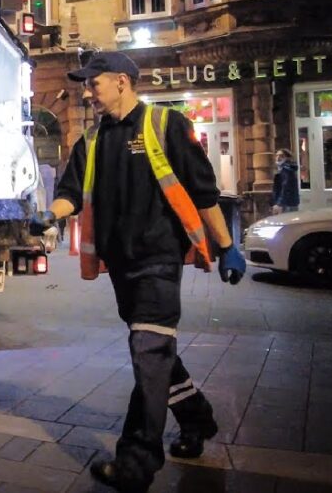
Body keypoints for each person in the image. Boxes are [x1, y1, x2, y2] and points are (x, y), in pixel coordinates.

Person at [28, 52, 247, 493]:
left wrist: (227, 247)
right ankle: (197, 419)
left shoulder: (165, 126)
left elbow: (203, 192)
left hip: (159, 259)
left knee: (148, 351)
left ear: (123, 82)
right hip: (120, 265)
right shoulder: (91, 141)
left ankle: (137, 461)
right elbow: (71, 192)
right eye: (87, 85)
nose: (88, 92)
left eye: (95, 84)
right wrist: (50, 215)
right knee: (157, 352)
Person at [271, 148, 300, 214]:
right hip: (288, 203)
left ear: (287, 158)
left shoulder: (287, 170)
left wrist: (279, 203)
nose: (278, 158)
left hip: (287, 204)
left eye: (281, 156)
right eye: (277, 155)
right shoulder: (281, 169)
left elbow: (285, 187)